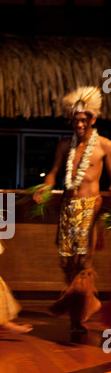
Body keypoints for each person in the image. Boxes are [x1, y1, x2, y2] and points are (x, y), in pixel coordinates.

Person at [34, 86, 111, 333]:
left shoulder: (105, 146)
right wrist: (43, 189)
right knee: (67, 261)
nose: (78, 124)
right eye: (75, 120)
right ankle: (87, 302)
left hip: (91, 206)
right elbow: (54, 174)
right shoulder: (65, 145)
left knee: (85, 261)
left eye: (83, 120)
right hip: (68, 207)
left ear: (93, 119)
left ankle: (77, 316)